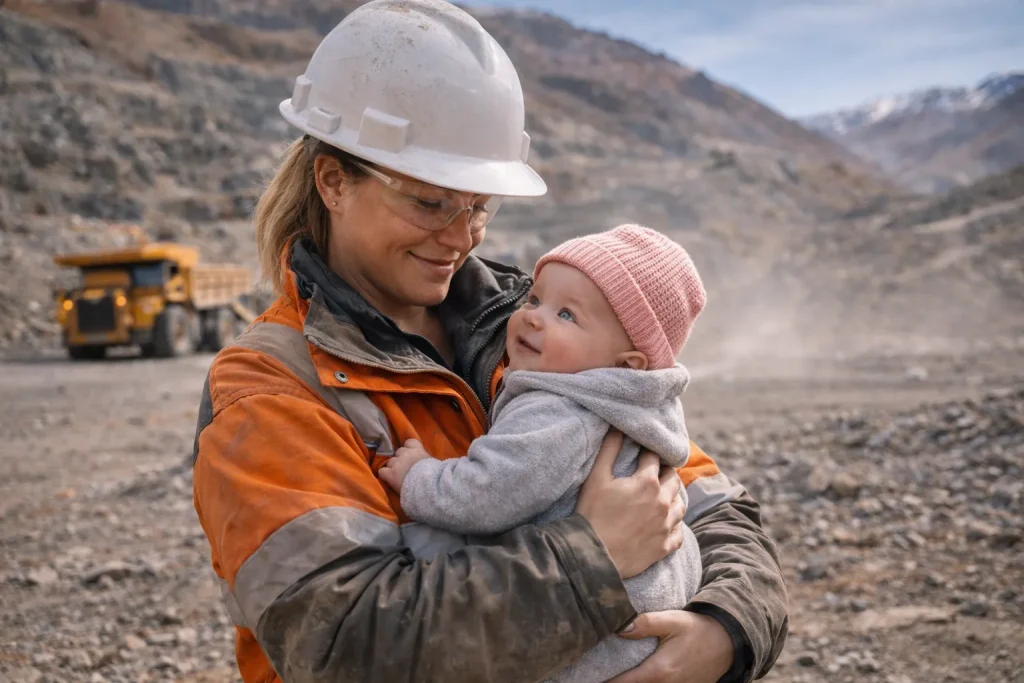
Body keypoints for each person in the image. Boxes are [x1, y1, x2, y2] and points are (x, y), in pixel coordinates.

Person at [190, 1, 788, 682]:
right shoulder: (270, 390)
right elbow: (348, 643)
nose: (462, 236)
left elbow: (718, 508)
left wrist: (724, 631)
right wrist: (589, 557)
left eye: (478, 205)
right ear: (333, 181)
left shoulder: (532, 334)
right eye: (429, 202)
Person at [379, 224, 708, 682]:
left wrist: (420, 478)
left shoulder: (560, 413)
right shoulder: (639, 407)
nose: (534, 318)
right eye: (534, 300)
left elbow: (489, 493)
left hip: (595, 643)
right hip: (645, 613)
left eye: (567, 316)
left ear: (626, 364)